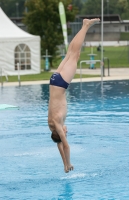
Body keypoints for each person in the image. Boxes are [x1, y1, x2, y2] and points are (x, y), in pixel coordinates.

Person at [48, 18, 100, 173]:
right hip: (54, 81)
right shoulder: (51, 125)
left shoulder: (56, 123)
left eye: (64, 133)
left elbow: (65, 145)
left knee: (75, 54)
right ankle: (85, 26)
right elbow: (58, 144)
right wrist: (64, 164)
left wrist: (69, 163)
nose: (66, 132)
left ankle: (85, 25)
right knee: (71, 53)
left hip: (61, 84)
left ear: (59, 132)